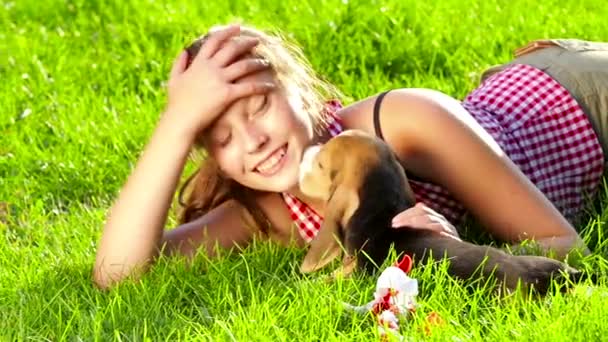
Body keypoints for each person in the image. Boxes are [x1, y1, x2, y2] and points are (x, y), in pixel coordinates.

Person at [93, 23, 608, 289]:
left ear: (302, 93)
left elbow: (565, 245)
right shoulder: (272, 213)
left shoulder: (406, 124)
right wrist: (175, 125)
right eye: (221, 140)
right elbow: (119, 273)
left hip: (580, 95)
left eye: (259, 107)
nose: (251, 142)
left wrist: (460, 251)